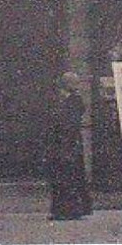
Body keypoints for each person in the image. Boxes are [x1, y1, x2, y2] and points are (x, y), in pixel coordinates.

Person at [47, 72, 92, 221]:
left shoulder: (72, 103)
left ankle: (68, 210)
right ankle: (67, 210)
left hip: (67, 145)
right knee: (68, 177)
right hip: (68, 144)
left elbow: (68, 126)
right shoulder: (73, 101)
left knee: (67, 177)